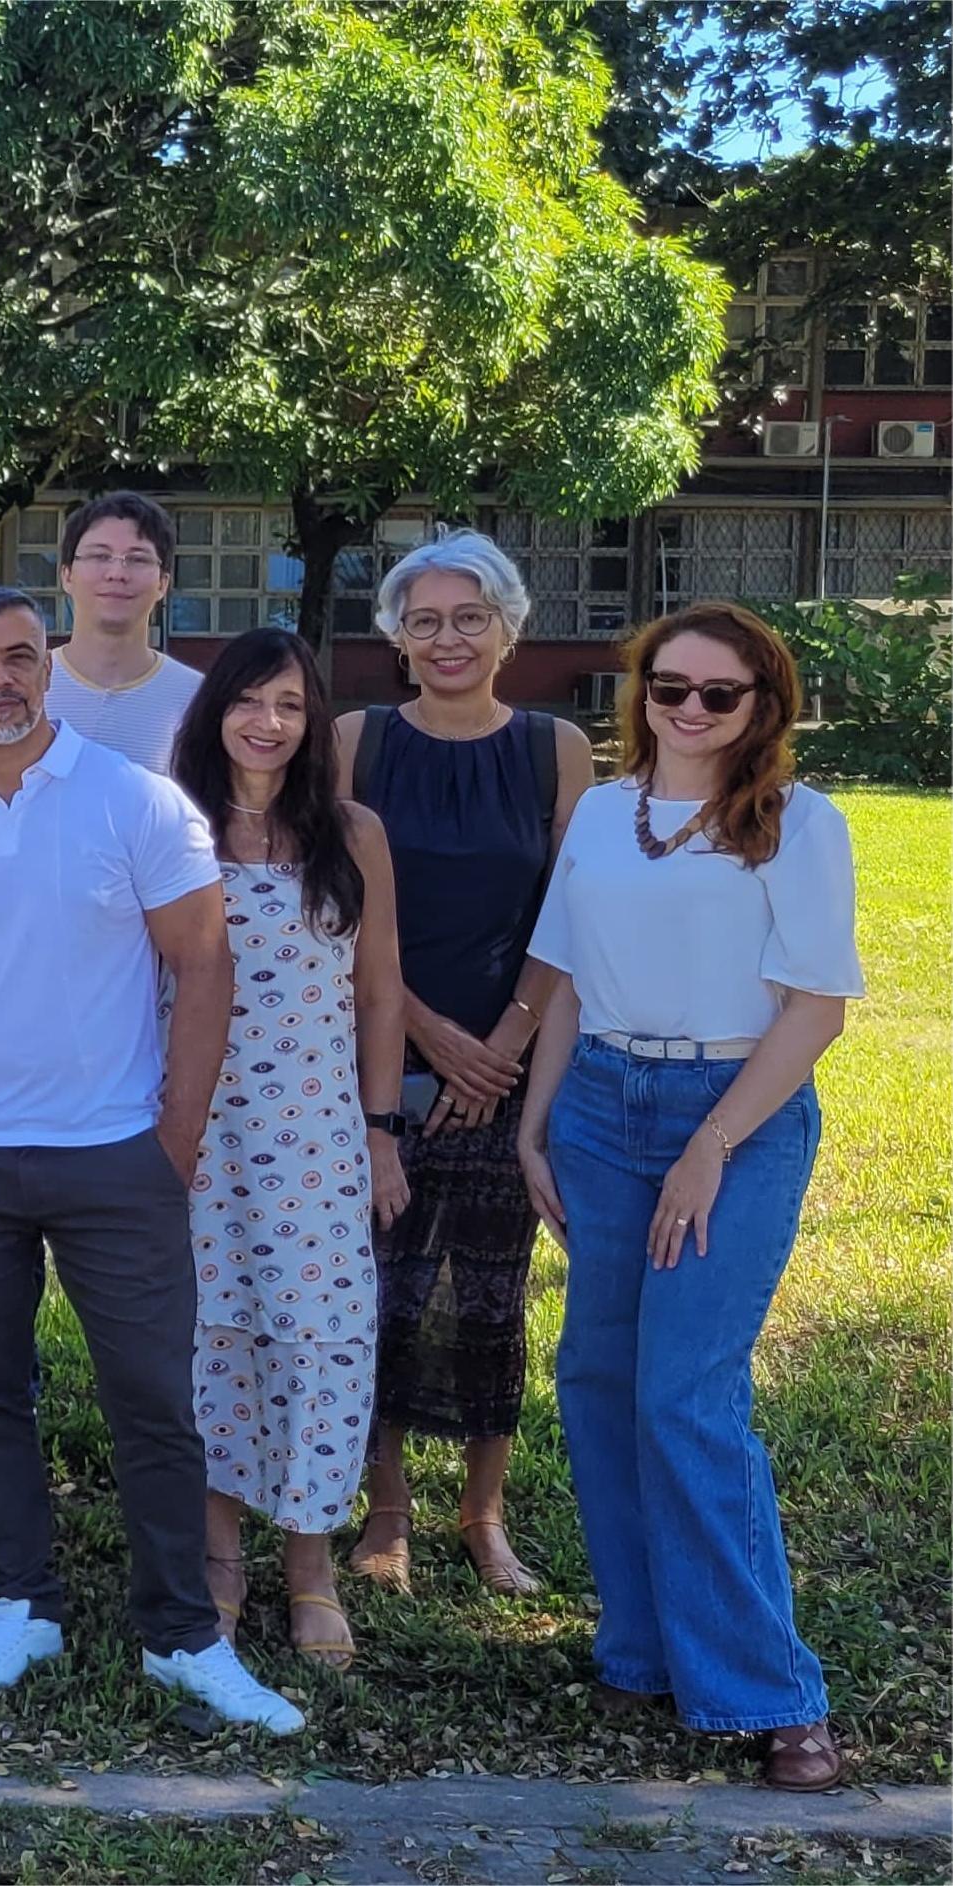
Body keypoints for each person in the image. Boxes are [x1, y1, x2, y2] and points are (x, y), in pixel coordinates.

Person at [0, 585, 304, 1734]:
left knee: (153, 1399)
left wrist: (175, 1140)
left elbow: (204, 969)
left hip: (115, 1155)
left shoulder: (136, 803)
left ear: (47, 666)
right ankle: (21, 1603)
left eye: (15, 656)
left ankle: (181, 1632)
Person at [519, 602, 861, 1792]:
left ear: (764, 704)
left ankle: (772, 1691)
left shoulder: (798, 827)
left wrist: (711, 1142)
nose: (694, 710)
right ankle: (645, 1647)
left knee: (688, 1395)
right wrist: (532, 1119)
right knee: (598, 1381)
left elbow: (814, 1007)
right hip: (603, 1107)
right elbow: (563, 980)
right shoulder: (604, 817)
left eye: (724, 693)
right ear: (642, 694)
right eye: (673, 687)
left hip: (736, 1111)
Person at [334, 531, 593, 1600]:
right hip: (376, 1059)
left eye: (468, 617)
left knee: (492, 1295)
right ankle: (382, 1508)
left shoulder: (554, 747)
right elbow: (330, 909)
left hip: (512, 1064)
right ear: (396, 637)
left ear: (507, 629)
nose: (447, 638)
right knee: (380, 1289)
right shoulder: (355, 740)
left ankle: (482, 1513)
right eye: (425, 620)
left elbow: (573, 913)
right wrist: (424, 1032)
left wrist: (506, 1044)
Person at [165, 628, 409, 1670]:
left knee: (319, 1340)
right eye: (246, 701)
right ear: (212, 709)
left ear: (313, 724)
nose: (266, 722)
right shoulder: (169, 828)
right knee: (210, 1336)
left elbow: (380, 989)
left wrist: (381, 1126)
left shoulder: (350, 833)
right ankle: (218, 1558)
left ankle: (307, 1564)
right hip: (193, 1129)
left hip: (315, 1132)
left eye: (290, 706)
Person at [42, 492, 202, 773]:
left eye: (137, 559)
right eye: (100, 556)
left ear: (163, 583)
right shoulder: (20, 687)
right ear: (66, 575)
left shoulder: (197, 698)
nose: (117, 573)